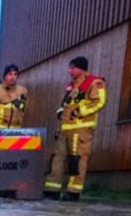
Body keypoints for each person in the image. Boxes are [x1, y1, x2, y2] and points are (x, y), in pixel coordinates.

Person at [45, 56, 107, 201]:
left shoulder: (95, 83)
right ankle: (52, 190)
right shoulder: (71, 86)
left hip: (81, 129)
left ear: (82, 68)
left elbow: (99, 102)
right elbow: (66, 105)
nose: (70, 71)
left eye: (73, 68)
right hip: (65, 129)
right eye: (69, 68)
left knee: (77, 160)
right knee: (57, 158)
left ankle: (73, 192)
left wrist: (79, 112)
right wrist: (61, 112)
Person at [0, 64, 28, 128]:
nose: (12, 77)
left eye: (15, 74)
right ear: (4, 76)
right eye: (10, 74)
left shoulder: (22, 91)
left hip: (15, 130)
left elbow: (24, 109)